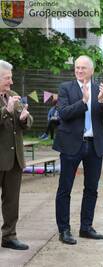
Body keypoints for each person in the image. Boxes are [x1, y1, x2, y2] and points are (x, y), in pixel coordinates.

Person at [53, 55, 103, 245]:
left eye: (83, 68)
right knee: (65, 189)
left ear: (92, 70)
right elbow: (63, 114)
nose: (79, 71)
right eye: (77, 67)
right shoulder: (66, 88)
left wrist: (102, 100)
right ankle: (64, 230)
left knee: (92, 189)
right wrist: (83, 102)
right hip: (71, 145)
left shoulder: (99, 89)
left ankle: (86, 227)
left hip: (94, 145)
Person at [0, 60, 32, 250]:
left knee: (12, 202)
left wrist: (24, 118)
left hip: (14, 160)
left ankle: (9, 236)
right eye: (7, 78)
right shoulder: (8, 102)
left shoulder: (13, 95)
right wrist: (7, 110)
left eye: (11, 78)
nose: (11, 82)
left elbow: (26, 120)